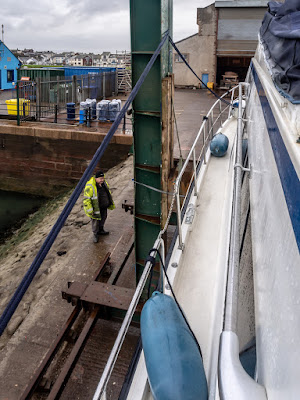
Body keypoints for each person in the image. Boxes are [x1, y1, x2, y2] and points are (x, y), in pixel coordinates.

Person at [83, 170, 115, 243]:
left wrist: (109, 203)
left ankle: (101, 229)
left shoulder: (104, 184)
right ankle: (95, 234)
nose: (102, 180)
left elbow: (107, 193)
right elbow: (86, 200)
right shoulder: (90, 186)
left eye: (103, 178)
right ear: (96, 178)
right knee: (95, 222)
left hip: (103, 206)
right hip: (95, 209)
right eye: (100, 178)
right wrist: (90, 211)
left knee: (103, 218)